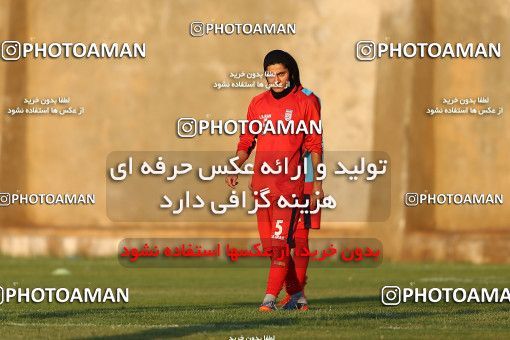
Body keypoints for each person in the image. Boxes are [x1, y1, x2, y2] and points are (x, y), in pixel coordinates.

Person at [225, 50, 323, 311]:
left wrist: (317, 184)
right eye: (271, 75)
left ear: (291, 73)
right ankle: (297, 295)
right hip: (263, 186)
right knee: (271, 247)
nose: (276, 79)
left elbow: (315, 144)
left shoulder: (307, 100)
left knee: (292, 242)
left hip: (293, 185)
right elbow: (247, 141)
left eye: (281, 73)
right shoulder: (257, 103)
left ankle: (268, 299)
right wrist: (236, 165)